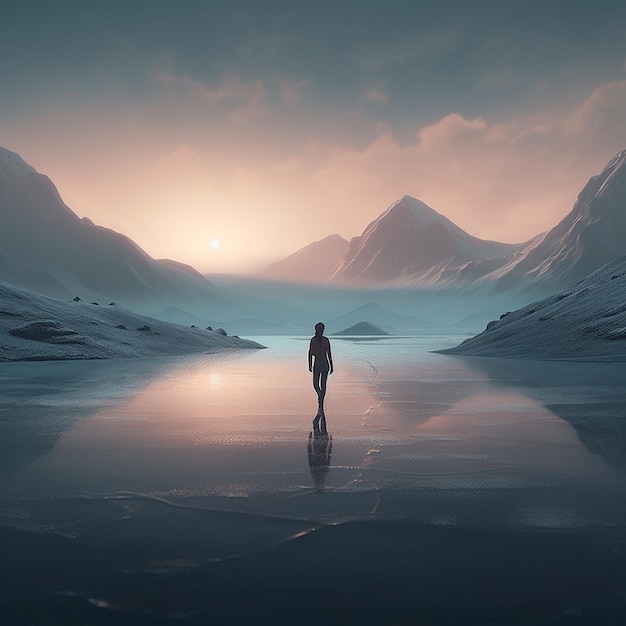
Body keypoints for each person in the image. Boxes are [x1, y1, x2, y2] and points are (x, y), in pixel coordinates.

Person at [308, 322, 333, 434]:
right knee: (315, 384)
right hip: (317, 364)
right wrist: (309, 365)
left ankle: (321, 403)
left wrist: (332, 365)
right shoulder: (313, 340)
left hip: (325, 364)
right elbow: (310, 353)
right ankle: (320, 397)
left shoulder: (326, 340)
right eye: (320, 329)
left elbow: (329, 353)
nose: (321, 330)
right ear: (317, 329)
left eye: (322, 329)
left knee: (323, 385)